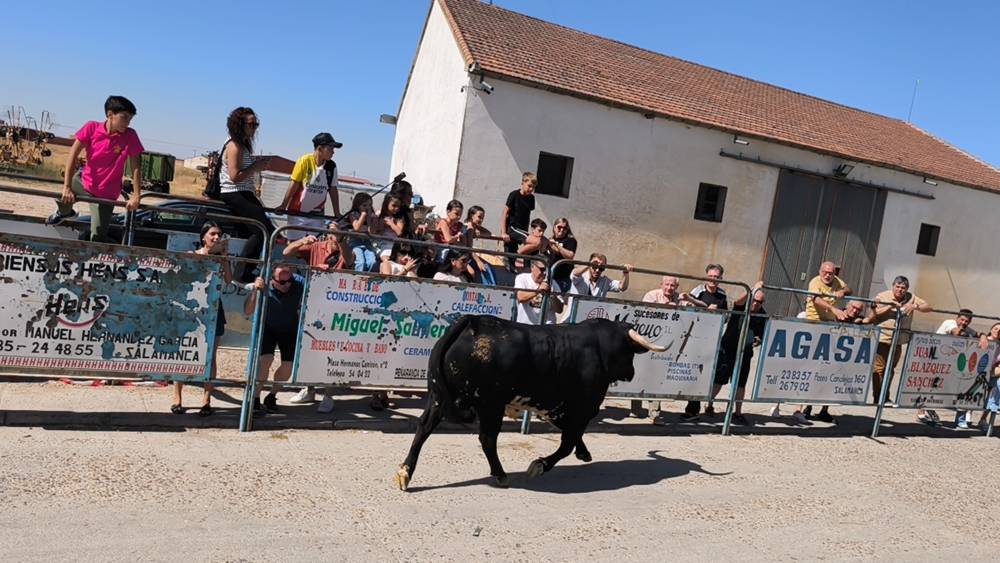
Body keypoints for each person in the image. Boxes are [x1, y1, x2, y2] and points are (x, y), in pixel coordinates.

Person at [47, 96, 144, 243]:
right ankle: (66, 214)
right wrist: (67, 187)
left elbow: (136, 167)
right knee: (61, 198)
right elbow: (72, 156)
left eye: (130, 119)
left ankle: (91, 256)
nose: (128, 122)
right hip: (84, 181)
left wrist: (136, 196)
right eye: (124, 117)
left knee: (98, 236)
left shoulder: (130, 135)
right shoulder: (91, 127)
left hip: (106, 193)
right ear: (110, 114)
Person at [171, 221, 231, 416]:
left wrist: (224, 257)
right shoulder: (192, 255)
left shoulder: (221, 258)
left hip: (214, 308)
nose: (216, 237)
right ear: (203, 237)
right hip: (192, 308)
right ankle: (177, 397)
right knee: (184, 351)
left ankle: (206, 399)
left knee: (210, 356)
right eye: (212, 234)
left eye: (219, 234)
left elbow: (228, 280)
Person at [218, 107, 274, 283]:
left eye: (256, 124)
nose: (254, 128)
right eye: (251, 124)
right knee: (264, 230)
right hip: (235, 192)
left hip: (242, 192)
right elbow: (234, 176)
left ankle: (244, 269)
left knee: (260, 230)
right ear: (239, 124)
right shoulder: (235, 145)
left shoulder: (241, 144)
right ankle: (243, 272)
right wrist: (255, 167)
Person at [794, 261, 853, 424]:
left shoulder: (836, 281)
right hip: (814, 325)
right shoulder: (815, 282)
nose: (827, 275)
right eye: (825, 272)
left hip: (829, 327)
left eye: (831, 273)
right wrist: (833, 309)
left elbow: (849, 289)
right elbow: (816, 299)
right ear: (820, 271)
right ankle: (802, 408)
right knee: (809, 367)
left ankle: (823, 409)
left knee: (830, 368)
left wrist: (842, 291)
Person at [243, 266, 305, 415]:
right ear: (272, 280)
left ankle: (272, 396)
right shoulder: (263, 285)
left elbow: (318, 285)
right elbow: (248, 311)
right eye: (282, 282)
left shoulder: (299, 282)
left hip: (289, 328)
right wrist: (255, 291)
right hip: (267, 327)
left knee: (288, 367)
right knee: (266, 360)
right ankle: (255, 397)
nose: (287, 285)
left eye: (289, 280)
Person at [706, 282, 768, 426]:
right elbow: (737, 301)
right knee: (719, 380)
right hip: (728, 348)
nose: (756, 304)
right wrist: (751, 289)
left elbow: (761, 334)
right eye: (754, 300)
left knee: (740, 384)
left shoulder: (762, 315)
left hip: (745, 352)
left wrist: (758, 339)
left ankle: (738, 412)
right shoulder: (741, 307)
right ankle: (709, 404)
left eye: (760, 302)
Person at [868, 276, 931, 406]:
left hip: (898, 340)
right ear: (893, 286)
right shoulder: (883, 296)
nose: (900, 290)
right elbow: (874, 312)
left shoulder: (911, 297)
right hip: (882, 338)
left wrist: (914, 306)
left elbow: (929, 307)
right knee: (879, 369)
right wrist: (890, 306)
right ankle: (878, 398)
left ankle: (885, 397)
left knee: (890, 369)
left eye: (903, 288)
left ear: (907, 289)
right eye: (897, 287)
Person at [682, 264, 729, 420]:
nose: (713, 279)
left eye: (716, 277)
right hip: (696, 338)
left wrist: (719, 313)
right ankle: (692, 411)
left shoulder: (722, 294)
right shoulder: (697, 291)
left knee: (720, 372)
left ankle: (709, 401)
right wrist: (705, 309)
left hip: (714, 338)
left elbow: (726, 317)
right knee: (697, 373)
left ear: (721, 278)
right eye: (711, 276)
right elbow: (686, 309)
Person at [277, 132, 343, 240]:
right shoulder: (304, 161)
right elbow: (294, 184)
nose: (333, 152)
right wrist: (283, 205)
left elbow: (333, 189)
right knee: (295, 244)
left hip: (317, 214)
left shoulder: (332, 166)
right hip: (297, 212)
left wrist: (337, 212)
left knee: (314, 244)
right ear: (320, 149)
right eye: (330, 148)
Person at [929, 309, 982, 428]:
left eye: (967, 321)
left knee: (958, 387)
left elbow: (977, 334)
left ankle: (960, 418)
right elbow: (956, 332)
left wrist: (982, 336)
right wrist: (967, 335)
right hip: (937, 360)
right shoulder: (950, 323)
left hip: (952, 363)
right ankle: (922, 413)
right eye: (962, 320)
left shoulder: (967, 329)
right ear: (956, 318)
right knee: (933, 387)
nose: (963, 323)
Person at [499, 172, 537, 261]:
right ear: (523, 182)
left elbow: (527, 215)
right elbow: (505, 213)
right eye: (529, 186)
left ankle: (522, 262)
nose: (531, 189)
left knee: (538, 243)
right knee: (535, 241)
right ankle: (514, 256)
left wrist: (529, 231)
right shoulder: (514, 195)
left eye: (533, 187)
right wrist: (503, 232)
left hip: (522, 229)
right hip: (513, 228)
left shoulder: (531, 198)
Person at [514, 259, 564, 325]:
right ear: (532, 267)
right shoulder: (522, 278)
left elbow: (559, 310)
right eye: (542, 269)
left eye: (547, 270)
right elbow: (521, 298)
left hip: (547, 326)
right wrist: (538, 290)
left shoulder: (553, 283)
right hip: (526, 325)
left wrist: (551, 295)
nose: (545, 273)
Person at [341, 193, 379, 272]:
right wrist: (363, 215)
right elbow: (356, 227)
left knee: (372, 262)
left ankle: (368, 276)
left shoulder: (372, 216)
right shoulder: (353, 214)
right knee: (360, 262)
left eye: (369, 205)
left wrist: (369, 219)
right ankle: (358, 276)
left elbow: (372, 232)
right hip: (355, 242)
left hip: (367, 242)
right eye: (364, 205)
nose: (367, 208)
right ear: (357, 205)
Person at [976, 322, 1000, 431]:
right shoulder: (984, 340)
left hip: (992, 372)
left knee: (991, 396)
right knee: (975, 392)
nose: (997, 331)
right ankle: (965, 416)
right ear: (991, 329)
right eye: (995, 329)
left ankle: (983, 419)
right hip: (979, 371)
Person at [546, 218, 578, 292]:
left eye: (564, 228)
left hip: (564, 278)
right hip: (550, 277)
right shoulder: (549, 240)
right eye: (559, 227)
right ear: (554, 227)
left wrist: (557, 245)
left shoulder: (570, 240)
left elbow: (570, 256)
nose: (562, 230)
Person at [642, 276, 708, 307]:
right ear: (661, 285)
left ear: (677, 287)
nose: (669, 288)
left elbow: (704, 306)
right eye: (667, 284)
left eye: (672, 285)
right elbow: (644, 312)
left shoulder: (679, 298)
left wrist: (690, 299)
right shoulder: (651, 295)